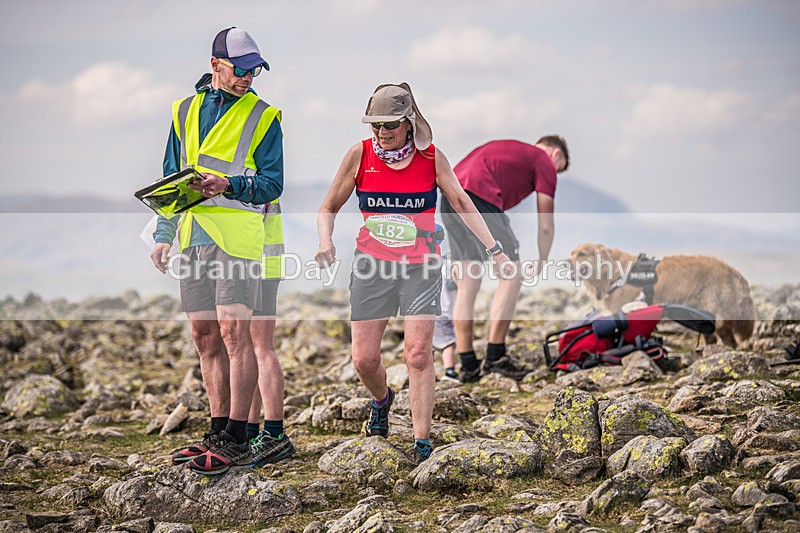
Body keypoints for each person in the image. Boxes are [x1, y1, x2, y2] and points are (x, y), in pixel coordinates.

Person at [315, 83, 512, 464]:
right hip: (372, 265)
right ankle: (382, 400)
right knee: (363, 360)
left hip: (421, 265)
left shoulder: (431, 157)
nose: (381, 132)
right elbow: (328, 207)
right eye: (375, 124)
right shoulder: (359, 155)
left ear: (408, 122)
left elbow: (461, 202)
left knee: (418, 354)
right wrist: (326, 241)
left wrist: (495, 249)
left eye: (390, 124)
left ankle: (422, 443)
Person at [149, 27, 291, 475]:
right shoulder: (183, 111)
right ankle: (217, 432)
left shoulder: (265, 116)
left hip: (239, 239)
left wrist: (229, 184)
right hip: (194, 236)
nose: (248, 77)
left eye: (255, 70)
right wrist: (163, 233)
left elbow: (272, 183)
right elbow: (170, 177)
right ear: (216, 65)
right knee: (204, 336)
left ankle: (238, 437)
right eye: (240, 69)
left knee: (234, 334)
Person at [441, 137, 570, 382]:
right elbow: (545, 225)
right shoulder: (543, 159)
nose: (554, 174)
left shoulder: (513, 151)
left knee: (468, 282)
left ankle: (468, 365)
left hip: (450, 198)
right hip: (479, 197)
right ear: (555, 154)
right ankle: (496, 358)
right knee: (511, 275)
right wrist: (542, 260)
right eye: (558, 169)